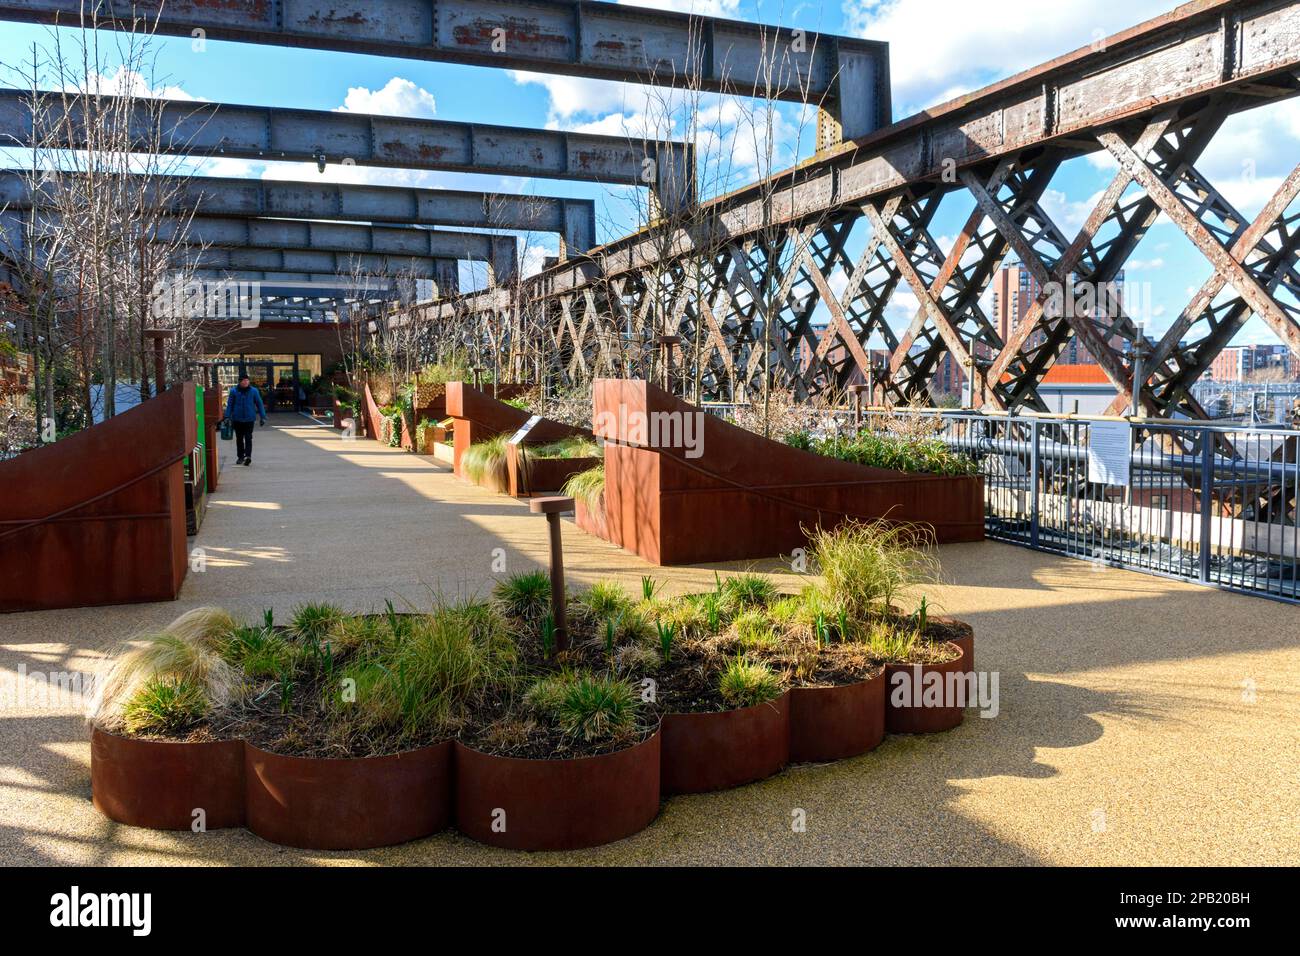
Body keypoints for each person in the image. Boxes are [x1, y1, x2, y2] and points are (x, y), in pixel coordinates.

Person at [225, 374, 267, 466]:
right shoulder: (234, 391)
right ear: (240, 382)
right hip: (237, 419)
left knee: (248, 438)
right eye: (244, 380)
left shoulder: (254, 391)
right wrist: (227, 416)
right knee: (239, 439)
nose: (246, 382)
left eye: (247, 380)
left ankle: (248, 456)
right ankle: (240, 457)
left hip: (249, 419)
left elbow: (259, 404)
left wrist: (263, 417)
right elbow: (230, 405)